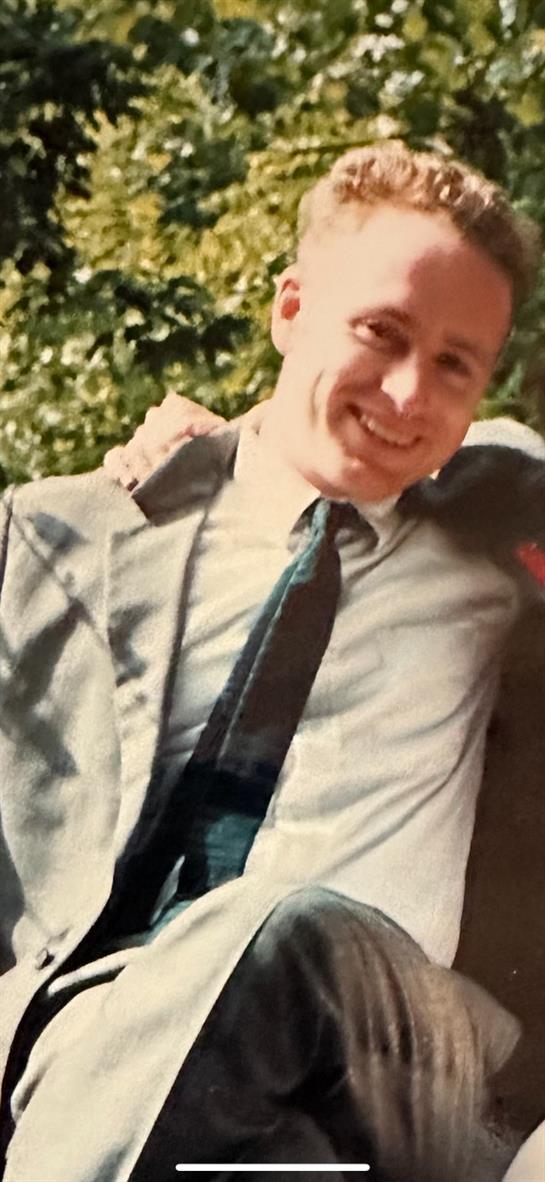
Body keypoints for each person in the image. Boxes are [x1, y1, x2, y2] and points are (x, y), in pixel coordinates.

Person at [1, 140, 544, 1182]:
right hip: (104, 1046)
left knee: (260, 925)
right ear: (289, 310)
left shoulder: (489, 535)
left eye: (452, 365)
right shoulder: (63, 539)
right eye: (380, 334)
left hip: (399, 1056)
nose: (405, 392)